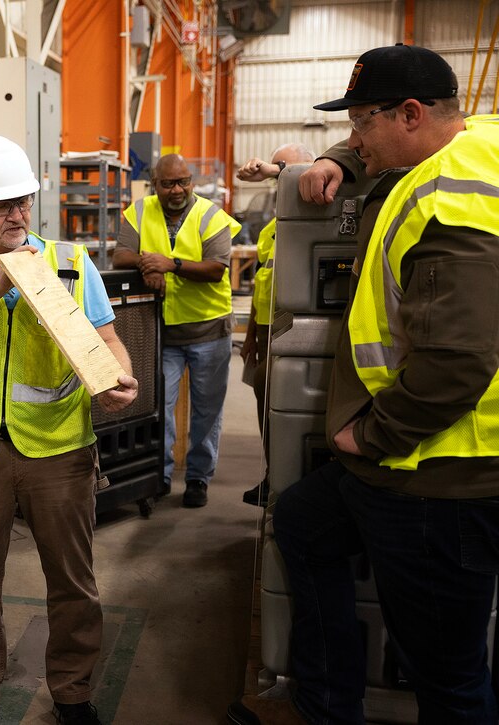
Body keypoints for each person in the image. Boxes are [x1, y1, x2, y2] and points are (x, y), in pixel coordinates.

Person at [229, 44, 499, 725]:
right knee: (301, 521)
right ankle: (326, 705)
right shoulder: (472, 148)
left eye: (360, 124)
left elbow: (460, 360)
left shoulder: (449, 198)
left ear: (409, 113)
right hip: (409, 466)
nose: (353, 136)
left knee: (450, 676)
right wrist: (341, 161)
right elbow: (379, 149)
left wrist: (371, 433)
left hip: (436, 474)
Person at [0, 135, 139, 725]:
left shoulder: (68, 261)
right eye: (1, 204)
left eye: (24, 201)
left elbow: (107, 338)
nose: (17, 215)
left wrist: (119, 377)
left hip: (59, 449)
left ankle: (72, 692)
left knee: (72, 580)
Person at [114, 154, 241, 508]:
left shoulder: (212, 216)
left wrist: (171, 265)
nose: (177, 189)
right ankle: (161, 475)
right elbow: (120, 256)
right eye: (169, 183)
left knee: (207, 411)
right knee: (159, 407)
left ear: (192, 182)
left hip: (209, 329)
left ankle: (198, 478)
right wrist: (149, 263)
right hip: (164, 334)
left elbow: (216, 268)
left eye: (184, 181)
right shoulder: (139, 212)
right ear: (155, 184)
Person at [234, 143, 316, 507]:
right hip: (268, 329)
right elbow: (260, 289)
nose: (280, 177)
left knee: (287, 407)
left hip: (296, 328)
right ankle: (274, 475)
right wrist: (252, 334)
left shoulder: (317, 221)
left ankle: (292, 480)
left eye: (287, 169)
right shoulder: (272, 229)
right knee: (265, 406)